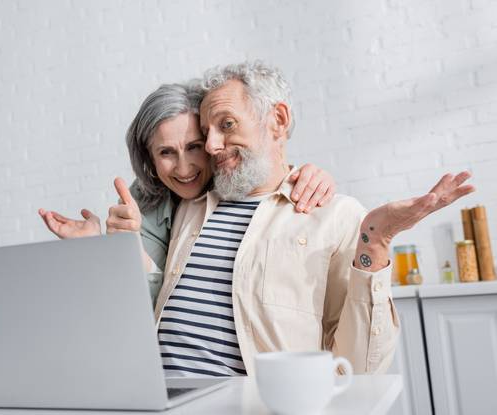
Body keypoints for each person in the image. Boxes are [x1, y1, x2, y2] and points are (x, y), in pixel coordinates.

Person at [148, 61, 475, 377]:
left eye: (226, 125)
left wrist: (375, 242)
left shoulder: (335, 216)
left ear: (278, 119)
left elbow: (361, 367)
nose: (212, 145)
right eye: (206, 132)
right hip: (154, 395)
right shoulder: (188, 200)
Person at [38, 83, 337, 304]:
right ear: (149, 160)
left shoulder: (237, 180)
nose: (184, 168)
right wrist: (101, 249)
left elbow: (269, 172)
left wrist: (302, 175)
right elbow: (146, 305)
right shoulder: (143, 201)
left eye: (194, 146)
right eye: (166, 152)